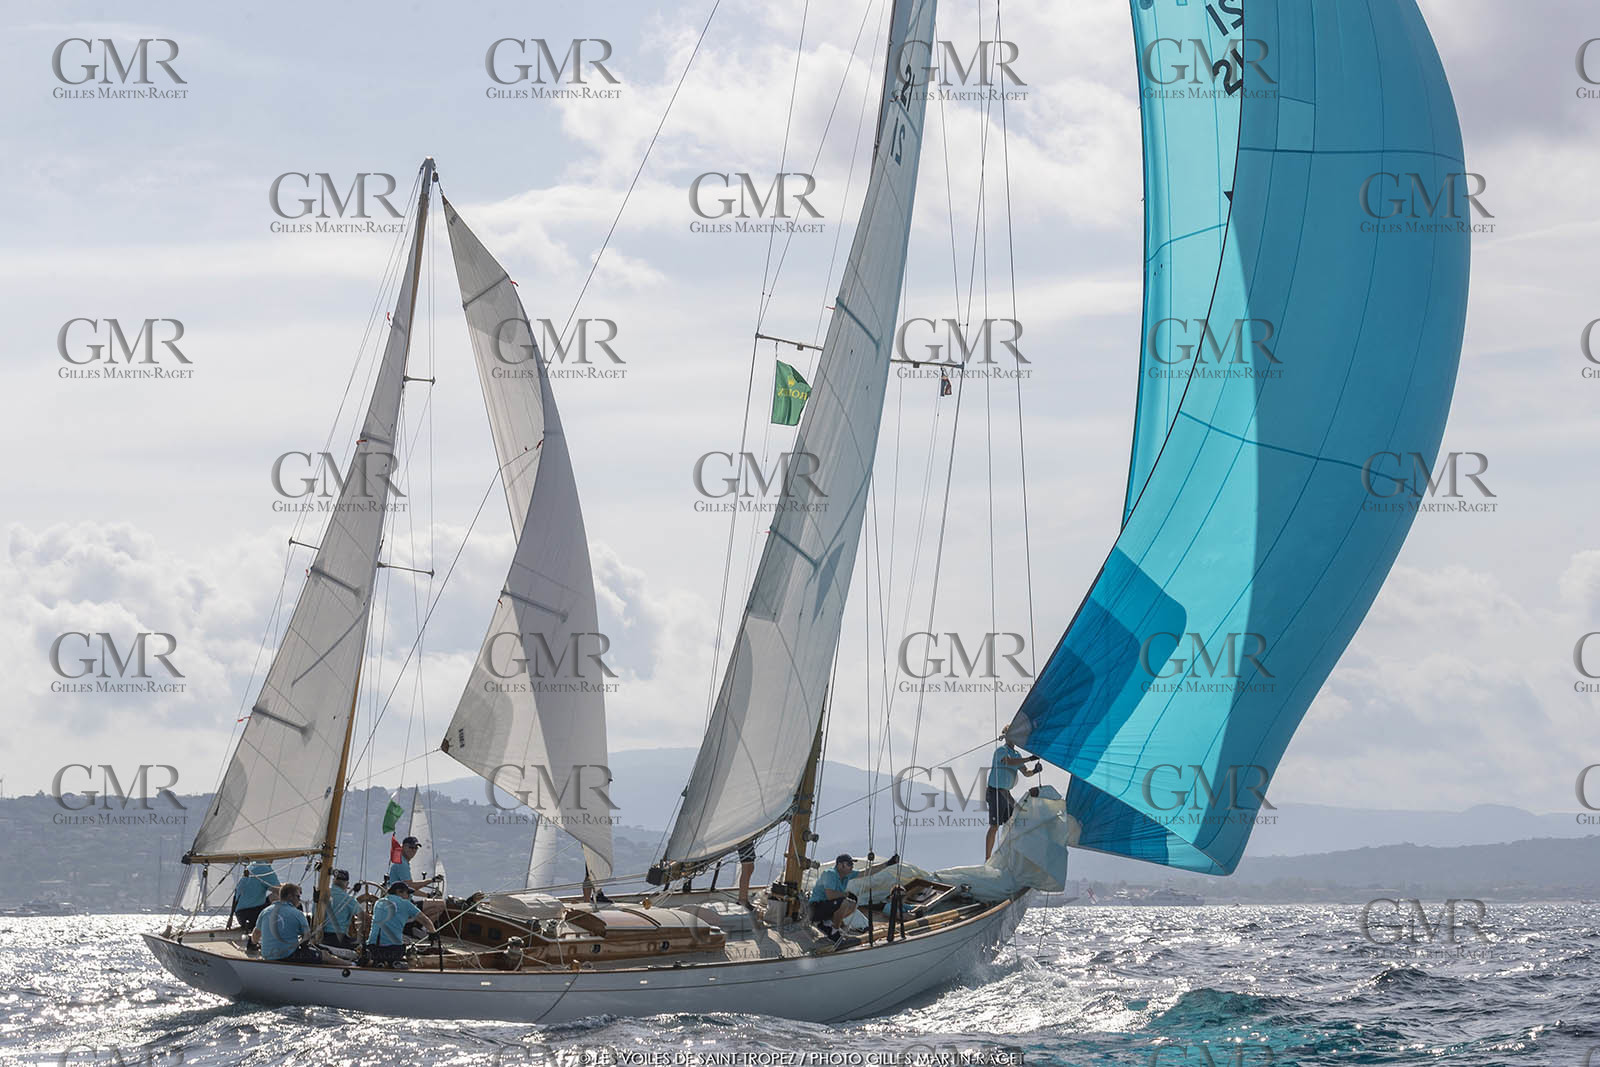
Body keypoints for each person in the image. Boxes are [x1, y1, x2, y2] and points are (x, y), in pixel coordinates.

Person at [808, 852, 898, 945]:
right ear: (840, 865)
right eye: (849, 864)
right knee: (846, 903)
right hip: (815, 909)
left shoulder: (847, 874)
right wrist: (846, 894)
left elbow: (867, 872)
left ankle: (828, 925)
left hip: (827, 907)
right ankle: (834, 932)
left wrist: (888, 864)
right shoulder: (830, 874)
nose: (852, 866)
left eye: (852, 864)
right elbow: (830, 895)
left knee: (852, 905)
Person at [986, 728, 1042, 860]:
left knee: (1015, 822)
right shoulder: (1001, 751)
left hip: (1006, 793)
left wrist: (1035, 771)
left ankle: (1006, 857)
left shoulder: (1017, 754)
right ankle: (987, 858)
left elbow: (1026, 773)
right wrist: (1029, 758)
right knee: (994, 826)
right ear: (1006, 736)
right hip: (994, 791)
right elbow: (1008, 761)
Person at [366, 880, 434, 968]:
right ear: (399, 892)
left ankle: (377, 962)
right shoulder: (405, 903)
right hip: (392, 950)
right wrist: (433, 933)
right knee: (405, 949)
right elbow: (425, 920)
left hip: (371, 947)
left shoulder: (379, 902)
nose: (409, 896)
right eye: (407, 893)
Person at [251, 883, 322, 963]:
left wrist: (254, 944)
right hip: (287, 957)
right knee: (325, 956)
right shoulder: (298, 914)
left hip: (267, 956)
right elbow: (306, 937)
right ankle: (339, 969)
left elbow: (256, 934)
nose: (299, 900)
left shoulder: (265, 911)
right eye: (298, 897)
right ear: (290, 896)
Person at [387, 836, 446, 923]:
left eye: (415, 848)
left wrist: (428, 895)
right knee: (441, 904)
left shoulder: (402, 862)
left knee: (435, 904)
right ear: (403, 847)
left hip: (403, 901)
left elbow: (409, 889)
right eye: (410, 847)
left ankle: (415, 926)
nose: (413, 850)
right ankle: (420, 927)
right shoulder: (402, 864)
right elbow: (410, 886)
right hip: (403, 904)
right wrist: (431, 880)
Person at [232, 859, 279, 932]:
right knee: (280, 896)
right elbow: (280, 891)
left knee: (274, 896)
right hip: (253, 916)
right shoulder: (265, 869)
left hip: (241, 916)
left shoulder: (252, 866)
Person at [320, 869, 359, 949]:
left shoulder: (321, 895)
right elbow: (363, 916)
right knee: (362, 947)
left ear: (333, 880)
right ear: (347, 883)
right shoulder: (348, 899)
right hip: (339, 940)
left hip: (321, 937)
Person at [735, 841, 756, 908]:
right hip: (744, 838)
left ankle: (743, 898)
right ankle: (743, 900)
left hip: (747, 838)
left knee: (750, 867)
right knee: (746, 868)